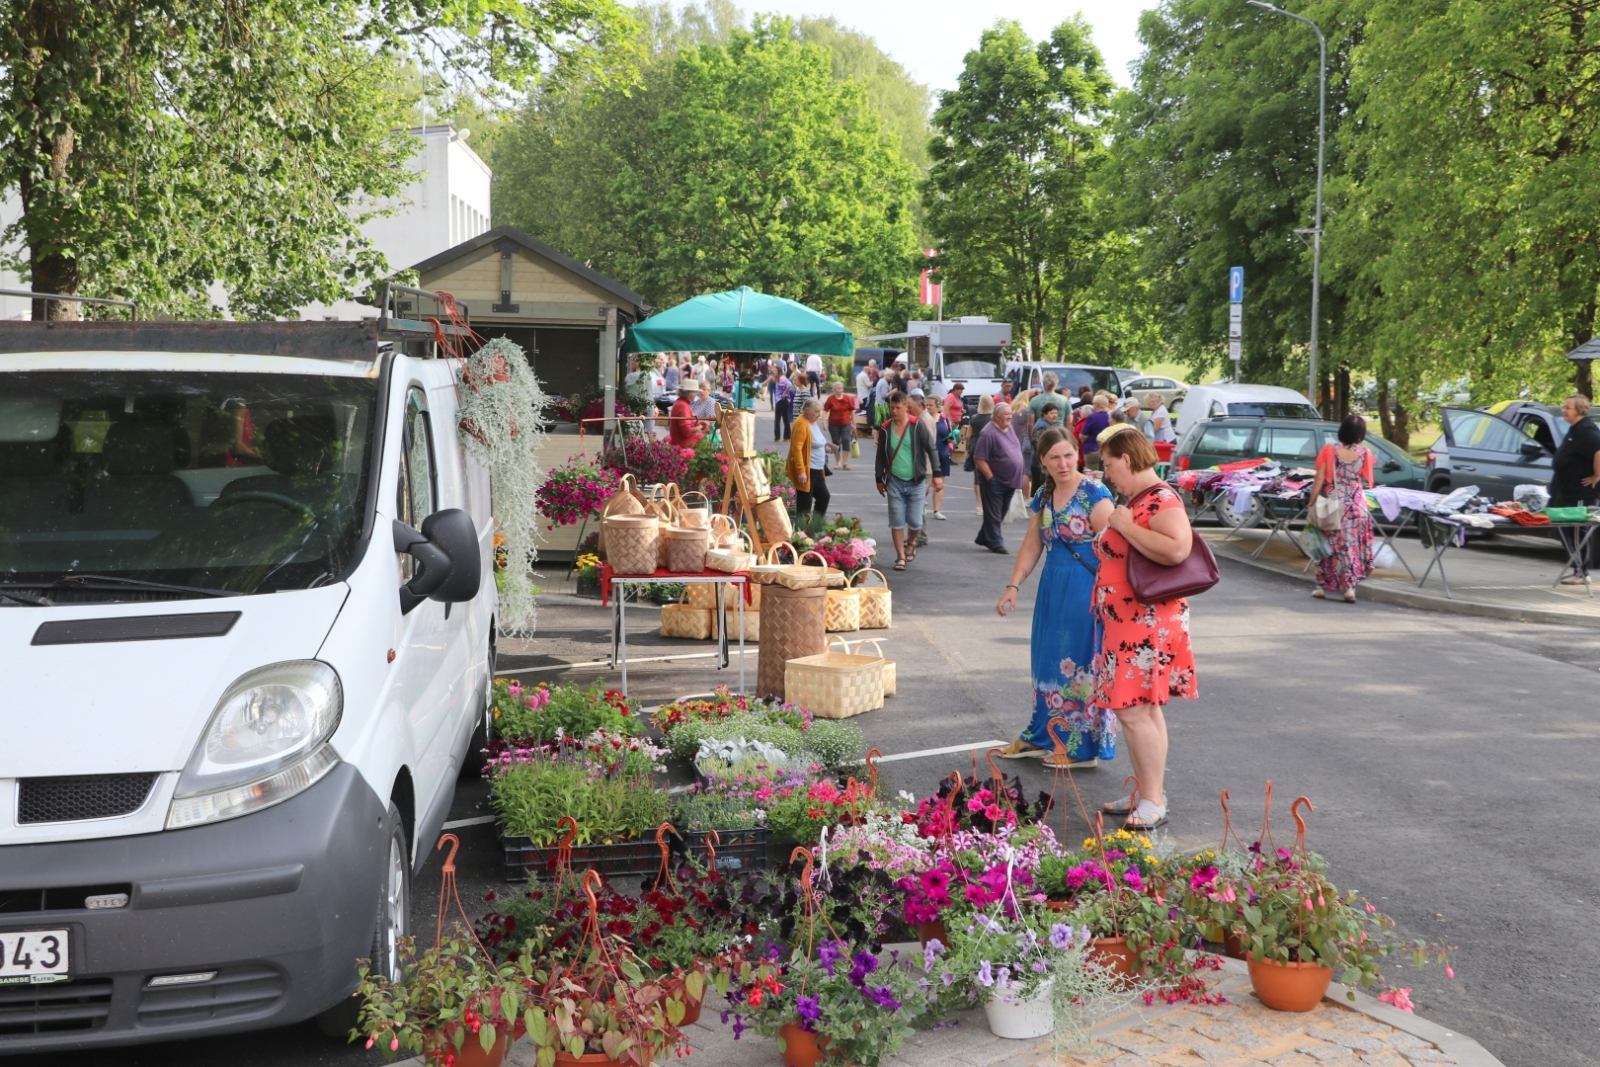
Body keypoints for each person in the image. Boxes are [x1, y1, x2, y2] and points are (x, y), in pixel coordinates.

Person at [1093, 425, 1198, 831]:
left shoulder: (1161, 498)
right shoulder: (1137, 500)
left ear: (1126, 458)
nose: (1107, 474)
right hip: (1132, 621)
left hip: (1146, 621)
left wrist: (1123, 525)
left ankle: (1153, 800)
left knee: (1134, 711)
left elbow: (1176, 548)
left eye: (1108, 466)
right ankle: (1149, 792)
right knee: (1141, 710)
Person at [996, 428, 1116, 767]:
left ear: (1077, 453)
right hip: (1053, 589)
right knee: (1047, 663)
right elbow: (1033, 544)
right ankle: (1042, 735)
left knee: (1079, 667)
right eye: (1054, 457)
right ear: (1043, 461)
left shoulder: (1094, 493)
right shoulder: (1045, 494)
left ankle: (1080, 748)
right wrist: (1014, 585)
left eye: (1068, 455)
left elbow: (1115, 549)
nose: (1063, 464)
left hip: (1086, 590)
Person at [1307, 415, 1376, 602]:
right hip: (1358, 505)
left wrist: (1312, 502)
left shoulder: (1330, 450)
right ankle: (1350, 589)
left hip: (1334, 503)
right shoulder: (1366, 453)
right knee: (1352, 548)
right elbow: (1364, 478)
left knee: (1327, 545)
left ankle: (1321, 586)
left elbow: (1319, 479)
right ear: (1361, 434)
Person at [874, 391, 936, 570]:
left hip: (916, 481)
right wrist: (879, 478)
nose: (894, 411)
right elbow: (880, 456)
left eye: (898, 408)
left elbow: (932, 449)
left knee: (916, 522)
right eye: (892, 407)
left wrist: (937, 474)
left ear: (905, 408)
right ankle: (900, 556)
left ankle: (912, 542)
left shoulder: (917, 426)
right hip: (894, 481)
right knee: (897, 521)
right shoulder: (885, 428)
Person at [1550, 394, 1600, 584]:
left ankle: (1581, 573)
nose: (1564, 409)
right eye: (1563, 406)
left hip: (1581, 493)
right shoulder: (1575, 429)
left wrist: (1597, 475)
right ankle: (1578, 569)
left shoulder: (1586, 430)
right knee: (1567, 531)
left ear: (1579, 410)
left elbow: (1599, 450)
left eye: (1568, 407)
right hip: (1566, 491)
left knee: (1578, 531)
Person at [973, 402, 1026, 553]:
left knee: (1000, 511)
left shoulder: (1008, 428)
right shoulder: (988, 433)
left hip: (1010, 480)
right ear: (996, 416)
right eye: (1006, 414)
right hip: (995, 480)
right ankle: (996, 543)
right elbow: (979, 458)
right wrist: (991, 478)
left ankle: (984, 536)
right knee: (994, 513)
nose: (1010, 416)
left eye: (1011, 413)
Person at [788, 398, 830, 524]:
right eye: (816, 412)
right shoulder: (801, 423)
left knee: (824, 497)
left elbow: (815, 440)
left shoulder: (812, 421)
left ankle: (814, 526)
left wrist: (825, 446)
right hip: (807, 469)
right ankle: (801, 535)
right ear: (807, 411)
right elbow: (797, 449)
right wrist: (801, 471)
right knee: (805, 505)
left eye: (820, 412)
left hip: (817, 469)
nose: (819, 414)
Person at [968, 394, 995, 515]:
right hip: (991, 449)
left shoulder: (974, 418)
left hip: (976, 447)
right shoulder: (994, 418)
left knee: (977, 478)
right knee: (990, 475)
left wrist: (969, 446)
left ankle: (979, 505)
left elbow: (968, 436)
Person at [823, 381, 857, 471]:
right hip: (834, 424)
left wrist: (854, 424)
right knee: (835, 442)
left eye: (841, 388)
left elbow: (852, 411)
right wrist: (824, 422)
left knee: (846, 440)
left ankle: (845, 463)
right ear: (834, 390)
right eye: (838, 388)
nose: (840, 390)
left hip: (846, 423)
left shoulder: (847, 398)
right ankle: (838, 462)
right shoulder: (830, 399)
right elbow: (825, 411)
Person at [1030, 401, 1063, 488]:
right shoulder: (1042, 426)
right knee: (1039, 490)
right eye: (1051, 413)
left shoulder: (1047, 424)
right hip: (1039, 465)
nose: (1055, 415)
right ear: (1044, 414)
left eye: (1056, 413)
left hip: (1043, 463)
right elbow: (1036, 443)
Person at [1079, 395, 1112, 471]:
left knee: (1092, 476)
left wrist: (1082, 441)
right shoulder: (1111, 416)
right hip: (1107, 450)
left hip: (1092, 449)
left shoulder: (1092, 417)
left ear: (1097, 405)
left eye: (1093, 404)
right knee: (1104, 475)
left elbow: (1083, 436)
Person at [667, 383, 701, 448]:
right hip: (683, 449)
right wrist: (700, 427)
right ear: (690, 394)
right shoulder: (683, 406)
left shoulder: (681, 403)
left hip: (681, 447)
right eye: (696, 393)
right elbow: (687, 432)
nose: (696, 395)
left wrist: (699, 423)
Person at [773, 369, 795, 441]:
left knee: (777, 419)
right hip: (785, 400)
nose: (774, 373)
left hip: (780, 400)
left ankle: (777, 437)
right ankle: (787, 436)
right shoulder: (782, 378)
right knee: (786, 419)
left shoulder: (781, 378)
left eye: (775, 371)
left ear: (779, 371)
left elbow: (789, 384)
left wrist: (784, 393)